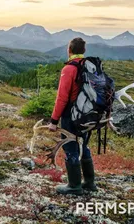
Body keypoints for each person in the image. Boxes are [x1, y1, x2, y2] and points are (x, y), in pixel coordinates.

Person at [46, 37, 97, 195]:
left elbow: (62, 98)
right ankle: (89, 182)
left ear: (69, 50)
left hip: (71, 115)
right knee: (83, 145)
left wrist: (54, 121)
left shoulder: (69, 69)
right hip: (87, 115)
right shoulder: (91, 66)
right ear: (84, 51)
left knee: (70, 147)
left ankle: (74, 186)